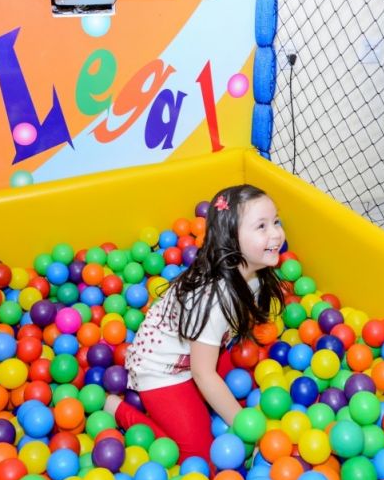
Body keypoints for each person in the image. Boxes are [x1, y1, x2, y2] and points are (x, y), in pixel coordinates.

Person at [104, 184, 286, 462]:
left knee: (246, 384)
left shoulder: (256, 272)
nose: (276, 233)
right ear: (231, 239)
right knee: (198, 459)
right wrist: (246, 427)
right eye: (261, 226)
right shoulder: (212, 300)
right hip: (162, 370)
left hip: (201, 351)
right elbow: (204, 374)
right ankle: (116, 408)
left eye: (275, 221)